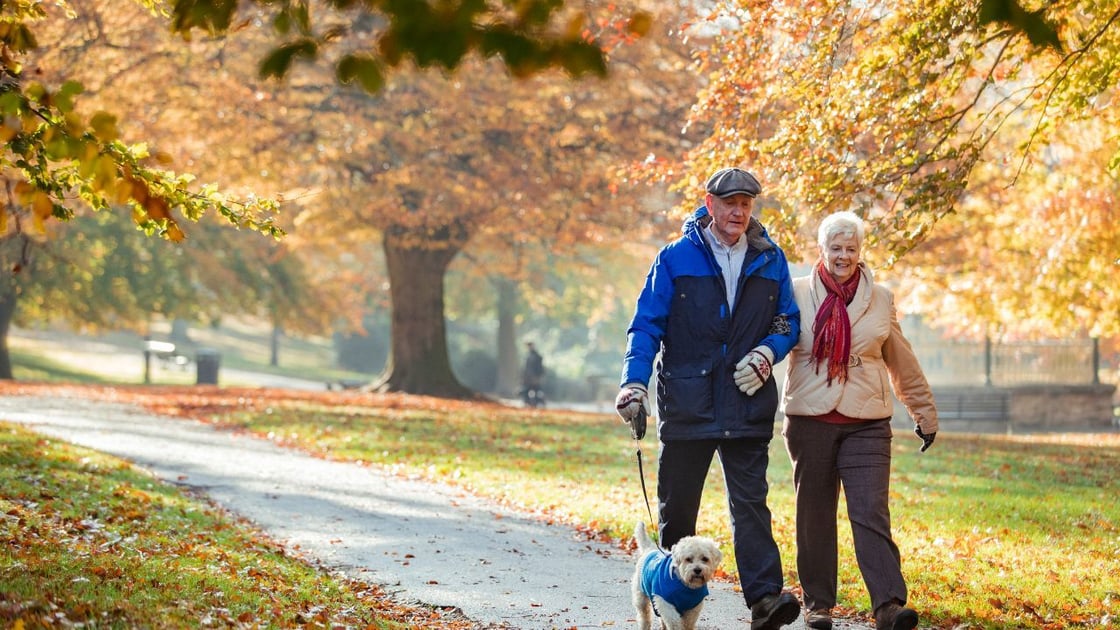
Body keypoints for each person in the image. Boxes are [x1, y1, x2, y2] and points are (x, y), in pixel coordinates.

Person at [616, 167, 803, 630]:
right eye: (731, 203)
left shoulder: (769, 258)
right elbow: (646, 325)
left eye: (747, 203)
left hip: (746, 400)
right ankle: (671, 604)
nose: (739, 211)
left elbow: (787, 321)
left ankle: (764, 602)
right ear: (710, 203)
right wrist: (633, 383)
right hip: (688, 401)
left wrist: (766, 353)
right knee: (677, 509)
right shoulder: (675, 258)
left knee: (751, 506)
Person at [779, 211, 938, 630]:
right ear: (821, 250)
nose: (843, 256)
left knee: (870, 511)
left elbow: (901, 360)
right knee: (813, 513)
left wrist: (923, 411)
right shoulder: (795, 293)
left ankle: (888, 605)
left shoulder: (881, 298)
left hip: (867, 420)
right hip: (810, 418)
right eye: (835, 248)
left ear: (860, 251)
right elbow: (773, 341)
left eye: (851, 248)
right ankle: (818, 604)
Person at [522, 342, 546, 407]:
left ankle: (539, 403)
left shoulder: (537, 356)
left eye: (530, 346)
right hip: (529, 377)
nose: (529, 347)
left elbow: (539, 368)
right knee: (528, 390)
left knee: (537, 390)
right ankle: (529, 403)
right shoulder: (529, 355)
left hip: (534, 377)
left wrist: (538, 376)